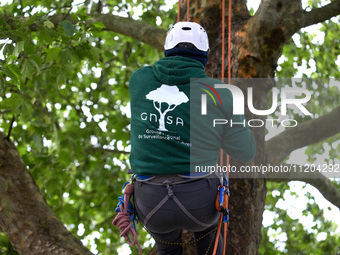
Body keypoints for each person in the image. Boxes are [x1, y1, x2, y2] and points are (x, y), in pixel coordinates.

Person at [128, 21, 256, 255]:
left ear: (167, 48)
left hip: (150, 201)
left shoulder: (139, 80)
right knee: (210, 244)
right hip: (200, 199)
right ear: (204, 55)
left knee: (167, 248)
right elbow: (245, 151)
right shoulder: (220, 93)